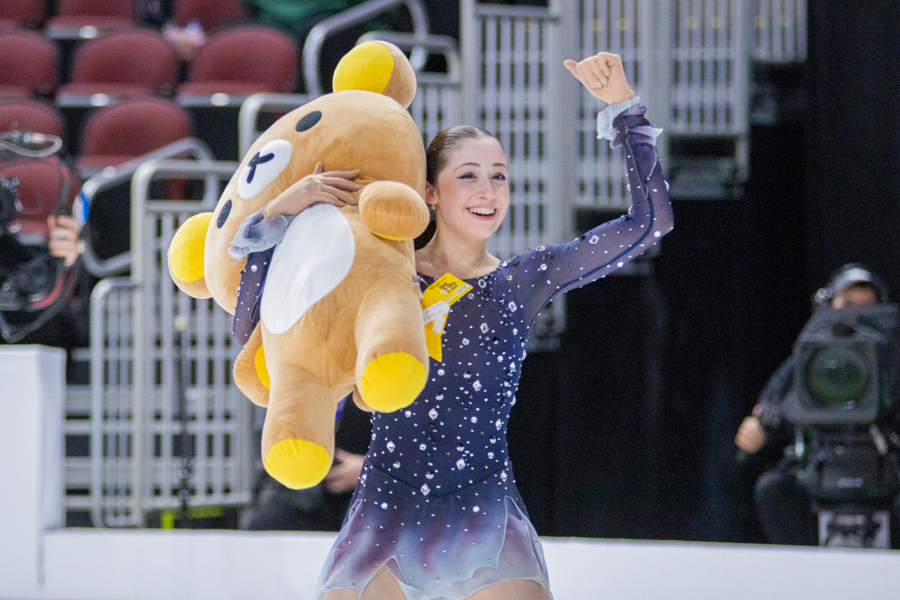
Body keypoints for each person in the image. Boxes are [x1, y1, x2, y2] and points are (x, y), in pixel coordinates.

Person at [243, 51, 672, 598]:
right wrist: (277, 214)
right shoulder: (380, 272)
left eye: (499, 177)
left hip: (484, 515)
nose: (487, 192)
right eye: (467, 176)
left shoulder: (524, 279)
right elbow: (260, 318)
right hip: (385, 511)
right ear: (430, 192)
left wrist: (625, 111)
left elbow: (650, 222)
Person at [734, 264, 897, 546]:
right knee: (773, 491)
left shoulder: (893, 360)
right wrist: (759, 428)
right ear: (828, 304)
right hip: (819, 467)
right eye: (846, 304)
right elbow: (773, 407)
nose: (854, 315)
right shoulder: (808, 355)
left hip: (883, 470)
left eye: (865, 307)